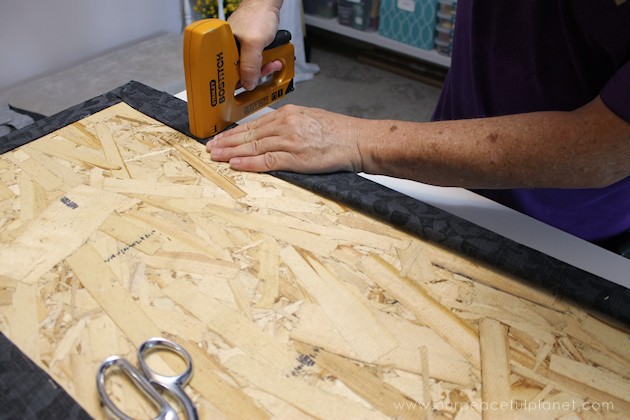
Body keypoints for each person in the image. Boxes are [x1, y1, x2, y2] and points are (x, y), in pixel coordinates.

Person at [208, 0, 630, 255]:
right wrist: (263, 5)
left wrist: (358, 141)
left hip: (572, 228)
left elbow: (601, 146)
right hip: (445, 170)